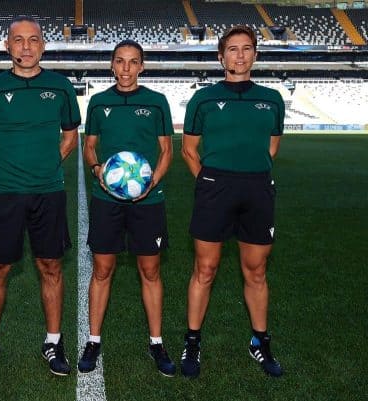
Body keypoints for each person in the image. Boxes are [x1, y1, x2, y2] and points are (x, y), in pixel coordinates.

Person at [0, 16, 81, 381]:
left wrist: (46, 166)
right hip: (4, 193)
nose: (26, 47)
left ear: (43, 46)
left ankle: (53, 341)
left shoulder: (61, 87)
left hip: (48, 192)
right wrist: (4, 168)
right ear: (8, 46)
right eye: (19, 40)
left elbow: (70, 136)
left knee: (51, 266)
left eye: (33, 40)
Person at [180, 25, 285, 378]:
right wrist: (211, 183)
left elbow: (272, 146)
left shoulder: (272, 99)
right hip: (215, 188)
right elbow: (189, 151)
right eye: (232, 49)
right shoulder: (203, 99)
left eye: (246, 49)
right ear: (220, 56)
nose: (239, 55)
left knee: (256, 271)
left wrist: (249, 175)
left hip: (257, 189)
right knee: (205, 269)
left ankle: (259, 341)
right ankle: (192, 342)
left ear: (255, 54)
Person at [77, 40, 176, 377]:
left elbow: (166, 151)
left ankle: (157, 341)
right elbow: (89, 147)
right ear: (111, 64)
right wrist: (96, 170)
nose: (126, 69)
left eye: (133, 63)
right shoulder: (98, 102)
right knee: (102, 270)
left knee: (150, 271)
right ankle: (93, 340)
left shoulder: (157, 102)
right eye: (120, 62)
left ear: (142, 66)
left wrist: (151, 181)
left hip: (148, 200)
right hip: (107, 200)